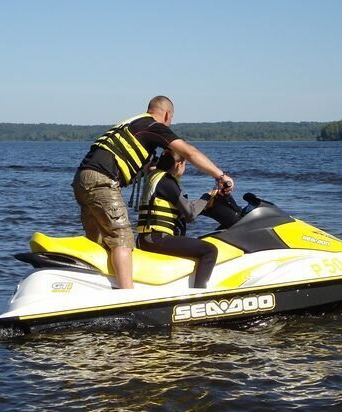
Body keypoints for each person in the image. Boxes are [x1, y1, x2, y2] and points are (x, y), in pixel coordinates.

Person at [72, 96, 234, 289]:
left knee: (99, 241)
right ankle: (128, 297)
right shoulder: (153, 126)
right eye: (170, 120)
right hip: (102, 180)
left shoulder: (131, 124)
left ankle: (96, 288)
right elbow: (190, 152)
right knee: (122, 238)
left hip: (81, 178)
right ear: (167, 115)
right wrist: (220, 176)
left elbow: (140, 162)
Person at [136, 150, 219, 288]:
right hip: (157, 239)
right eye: (185, 164)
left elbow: (183, 209)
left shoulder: (154, 176)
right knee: (210, 250)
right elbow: (190, 213)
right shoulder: (167, 181)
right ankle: (199, 293)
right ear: (178, 164)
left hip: (146, 238)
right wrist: (207, 197)